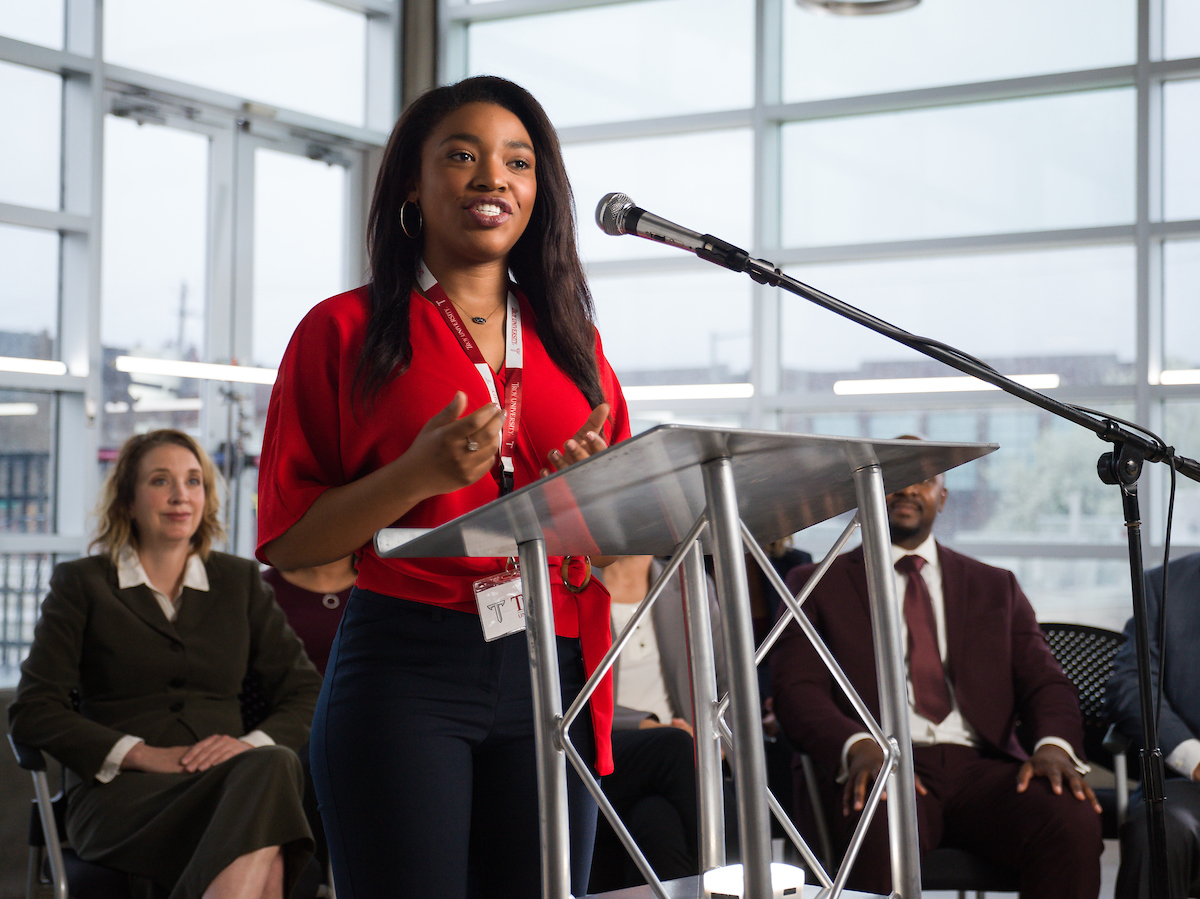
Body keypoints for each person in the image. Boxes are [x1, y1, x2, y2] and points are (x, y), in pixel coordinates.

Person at [255, 75, 631, 899]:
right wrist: (415, 476)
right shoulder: (342, 331)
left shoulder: (576, 347)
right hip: (409, 667)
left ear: (541, 194)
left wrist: (589, 503)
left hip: (555, 665)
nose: (493, 177)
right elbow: (292, 545)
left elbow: (626, 563)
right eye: (462, 156)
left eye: (519, 161)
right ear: (412, 189)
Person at [8, 429, 321, 899]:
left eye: (194, 481)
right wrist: (141, 754)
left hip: (227, 787)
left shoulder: (239, 582)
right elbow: (33, 710)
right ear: (128, 501)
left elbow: (306, 693)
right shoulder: (82, 584)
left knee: (268, 764)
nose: (180, 496)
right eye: (160, 481)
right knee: (270, 840)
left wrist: (245, 746)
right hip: (125, 799)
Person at [770, 461, 1104, 898]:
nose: (907, 489)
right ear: (867, 495)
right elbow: (797, 692)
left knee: (1068, 813)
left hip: (982, 768)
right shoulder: (813, 582)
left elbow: (1047, 682)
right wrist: (858, 746)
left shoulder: (995, 586)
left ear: (942, 498)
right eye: (893, 480)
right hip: (882, 762)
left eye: (924, 480)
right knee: (880, 815)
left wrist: (1053, 746)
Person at [588, 555, 726, 892]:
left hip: (681, 757)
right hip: (604, 748)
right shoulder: (573, 581)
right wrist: (645, 726)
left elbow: (729, 679)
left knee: (655, 819)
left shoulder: (689, 581)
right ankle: (735, 879)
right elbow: (567, 693)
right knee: (676, 747)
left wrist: (716, 738)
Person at [1107, 550, 1200, 899]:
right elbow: (1130, 687)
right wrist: (1193, 760)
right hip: (1188, 784)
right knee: (1157, 828)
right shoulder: (1161, 586)